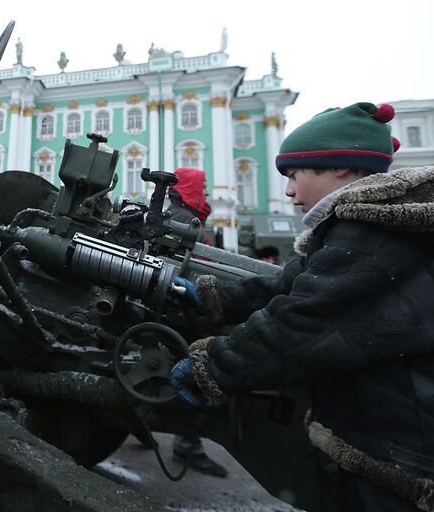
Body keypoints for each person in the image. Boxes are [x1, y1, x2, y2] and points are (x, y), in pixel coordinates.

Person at [170, 102, 434, 510]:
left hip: (399, 455)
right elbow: (285, 285)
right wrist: (208, 296)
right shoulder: (364, 228)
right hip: (392, 435)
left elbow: (303, 323)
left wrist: (215, 366)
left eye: (294, 176)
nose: (289, 190)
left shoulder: (370, 237)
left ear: (341, 167)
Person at [166, 167, 227, 477]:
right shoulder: (186, 221)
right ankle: (188, 445)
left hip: (178, 310)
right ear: (190, 188)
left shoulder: (176, 215)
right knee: (195, 376)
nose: (204, 194)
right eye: (201, 188)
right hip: (186, 314)